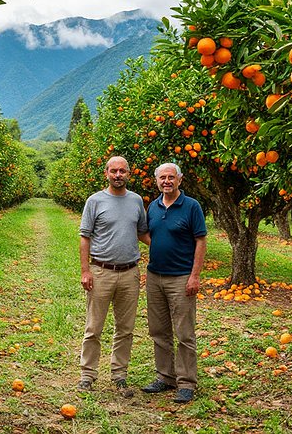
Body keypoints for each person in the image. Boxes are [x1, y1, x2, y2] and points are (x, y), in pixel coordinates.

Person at [78, 156, 148, 397]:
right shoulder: (95, 201)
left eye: (123, 171)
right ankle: (88, 374)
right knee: (94, 327)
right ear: (106, 173)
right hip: (101, 272)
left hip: (129, 273)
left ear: (129, 173)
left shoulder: (137, 201)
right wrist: (85, 270)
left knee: (125, 328)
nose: (118, 175)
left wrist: (170, 247)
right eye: (114, 171)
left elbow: (142, 233)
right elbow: (85, 236)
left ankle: (119, 374)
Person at [140, 162, 207, 404]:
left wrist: (194, 275)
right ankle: (165, 376)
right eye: (162, 178)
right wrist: (159, 247)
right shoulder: (154, 207)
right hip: (155, 276)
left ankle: (187, 382)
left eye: (171, 177)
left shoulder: (191, 206)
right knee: (158, 330)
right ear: (156, 181)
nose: (166, 181)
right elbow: (147, 234)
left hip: (181, 277)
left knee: (184, 333)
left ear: (179, 179)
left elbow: (200, 240)